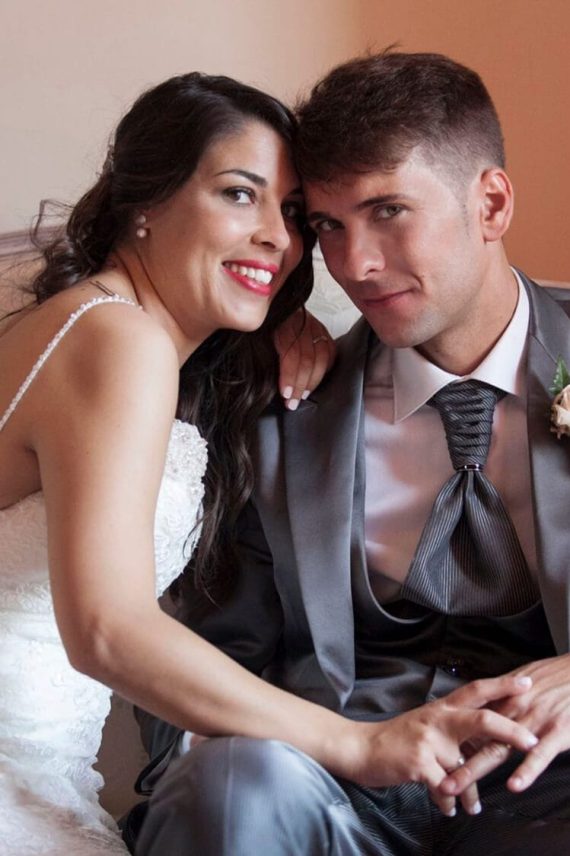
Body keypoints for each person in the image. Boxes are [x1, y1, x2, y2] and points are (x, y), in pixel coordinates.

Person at [130, 52, 570, 855]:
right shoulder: (278, 404)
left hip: (551, 787)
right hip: (335, 780)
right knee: (234, 788)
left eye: (388, 211)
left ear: (492, 204)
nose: (354, 264)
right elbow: (211, 650)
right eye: (328, 225)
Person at [0, 70, 342, 855]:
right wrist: (354, 744)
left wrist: (277, 330)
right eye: (238, 193)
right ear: (144, 202)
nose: (278, 237)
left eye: (292, 212)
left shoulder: (109, 334)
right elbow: (108, 631)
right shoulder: (118, 341)